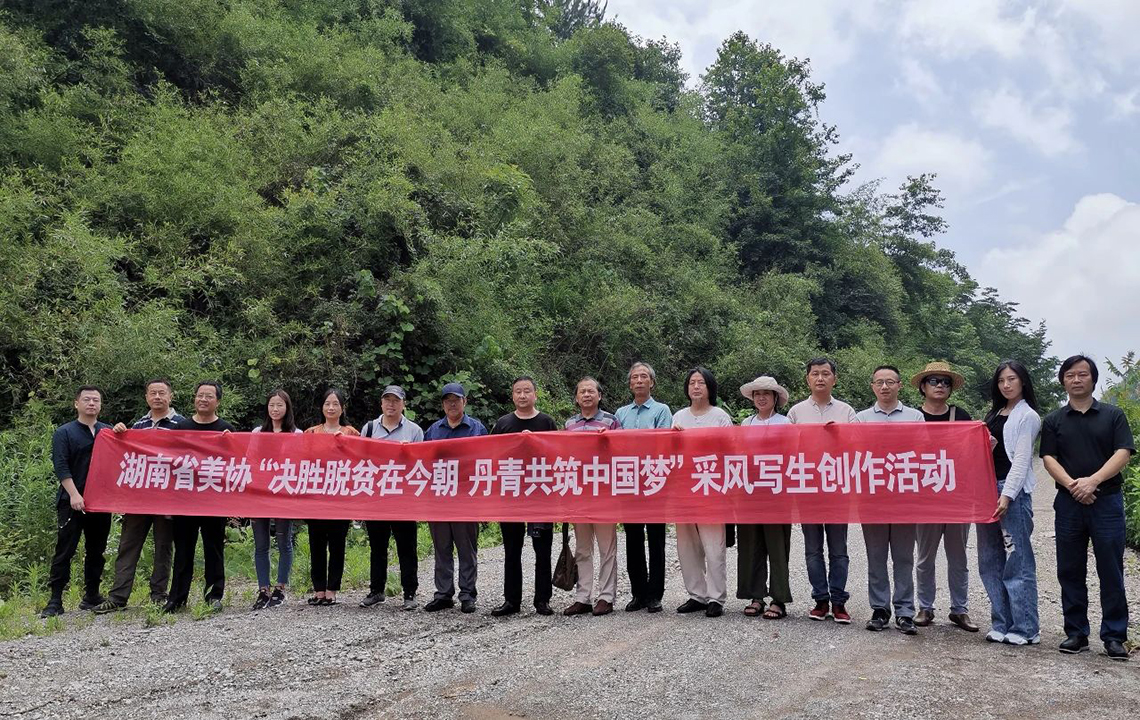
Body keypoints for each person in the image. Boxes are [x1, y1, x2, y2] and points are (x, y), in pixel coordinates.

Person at [1041, 355, 1134, 660]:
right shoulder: (1054, 420)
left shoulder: (1112, 415)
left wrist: (1092, 481)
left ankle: (1114, 636)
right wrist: (1073, 486)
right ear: (1063, 381)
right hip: (1068, 503)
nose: (1077, 380)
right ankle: (1076, 633)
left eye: (1083, 374)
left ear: (1093, 379)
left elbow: (1123, 452)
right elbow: (1049, 458)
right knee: (1070, 569)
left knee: (1110, 568)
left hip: (1106, 501)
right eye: (1070, 375)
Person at [95, 379, 184, 614]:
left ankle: (158, 595)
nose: (157, 397)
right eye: (152, 393)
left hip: (167, 497)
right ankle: (118, 597)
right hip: (138, 497)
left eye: (162, 393)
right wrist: (119, 434)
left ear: (170, 396)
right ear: (146, 397)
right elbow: (126, 456)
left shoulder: (182, 424)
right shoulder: (138, 424)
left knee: (164, 547)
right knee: (128, 545)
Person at [786, 357, 858, 624]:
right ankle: (820, 599)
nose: (820, 378)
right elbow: (786, 449)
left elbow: (860, 445)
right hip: (807, 488)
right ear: (807, 379)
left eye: (825, 374)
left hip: (837, 487)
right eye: (815, 374)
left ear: (834, 379)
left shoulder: (847, 411)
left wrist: (838, 436)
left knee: (839, 548)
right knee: (813, 549)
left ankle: (839, 601)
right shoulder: (795, 412)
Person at [976, 360, 1041, 646]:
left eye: (1012, 379)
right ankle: (1000, 622)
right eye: (1002, 380)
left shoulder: (1028, 416)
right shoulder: (995, 413)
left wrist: (1007, 495)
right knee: (990, 560)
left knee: (1017, 560)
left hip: (1009, 493)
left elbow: (1022, 460)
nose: (1006, 384)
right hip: (985, 489)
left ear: (1022, 381)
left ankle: (1026, 627)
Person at [856, 365, 924, 635]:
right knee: (876, 556)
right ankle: (880, 609)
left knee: (904, 556)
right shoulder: (860, 419)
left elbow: (922, 454)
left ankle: (905, 611)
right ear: (872, 386)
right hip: (872, 497)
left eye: (890, 382)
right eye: (879, 382)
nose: (885, 387)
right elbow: (854, 456)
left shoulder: (915, 417)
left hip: (904, 496)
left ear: (899, 386)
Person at [911, 362, 979, 632]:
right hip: (925, 497)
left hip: (957, 497)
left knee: (958, 556)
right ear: (923, 386)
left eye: (945, 382)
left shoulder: (961, 415)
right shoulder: (912, 418)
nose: (940, 385)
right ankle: (925, 607)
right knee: (925, 556)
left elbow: (972, 454)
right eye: (934, 380)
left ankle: (959, 610)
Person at [40, 386, 114, 618]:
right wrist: (73, 494)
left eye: (96, 400)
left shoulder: (108, 431)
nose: (91, 403)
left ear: (101, 405)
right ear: (76, 403)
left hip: (100, 503)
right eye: (87, 399)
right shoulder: (65, 432)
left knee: (97, 550)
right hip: (72, 500)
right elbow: (61, 466)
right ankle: (55, 600)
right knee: (65, 550)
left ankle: (91, 595)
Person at [490, 376, 559, 617]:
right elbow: (492, 455)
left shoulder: (546, 422)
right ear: (512, 396)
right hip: (511, 495)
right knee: (512, 549)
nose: (522, 396)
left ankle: (542, 600)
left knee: (542, 550)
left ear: (535, 395)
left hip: (540, 494)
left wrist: (536, 443)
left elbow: (557, 455)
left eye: (527, 391)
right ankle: (511, 601)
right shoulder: (503, 423)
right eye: (518, 391)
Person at [166, 381, 235, 613]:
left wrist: (231, 444)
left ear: (218, 401)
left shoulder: (226, 429)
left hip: (214, 500)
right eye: (199, 395)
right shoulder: (181, 427)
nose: (203, 399)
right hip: (185, 500)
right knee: (183, 550)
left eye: (209, 396)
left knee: (213, 549)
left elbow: (237, 463)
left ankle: (214, 596)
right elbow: (169, 462)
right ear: (194, 398)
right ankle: (177, 598)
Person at [671, 367, 733, 618]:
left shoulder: (720, 417)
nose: (696, 387)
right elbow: (668, 451)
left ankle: (716, 597)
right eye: (692, 383)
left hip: (711, 487)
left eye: (701, 383)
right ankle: (696, 594)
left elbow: (729, 450)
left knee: (713, 545)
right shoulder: (679, 416)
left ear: (710, 388)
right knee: (687, 545)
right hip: (683, 487)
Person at [422, 382, 487, 614]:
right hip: (439, 499)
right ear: (442, 404)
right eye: (448, 400)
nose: (452, 404)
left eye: (456, 400)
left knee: (466, 548)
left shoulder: (477, 429)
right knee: (442, 548)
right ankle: (443, 594)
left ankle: (468, 594)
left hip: (466, 499)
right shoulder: (433, 431)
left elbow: (485, 462)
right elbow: (422, 464)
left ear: (464, 402)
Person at [359, 385, 423, 611]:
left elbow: (422, 466)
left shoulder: (414, 431)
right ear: (381, 403)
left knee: (407, 547)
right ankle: (377, 590)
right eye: (387, 399)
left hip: (404, 499)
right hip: (376, 498)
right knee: (377, 547)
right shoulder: (368, 428)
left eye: (396, 400)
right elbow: (359, 460)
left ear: (403, 404)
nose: (391, 404)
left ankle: (410, 592)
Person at [614, 361, 671, 614]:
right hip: (628, 483)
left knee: (656, 539)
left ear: (652, 382)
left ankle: (654, 594)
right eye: (635, 377)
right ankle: (638, 593)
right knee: (633, 539)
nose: (639, 380)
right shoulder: (620, 414)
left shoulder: (661, 410)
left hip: (654, 481)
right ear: (630, 384)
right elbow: (615, 448)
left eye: (644, 376)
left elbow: (663, 443)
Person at [562, 377, 622, 617]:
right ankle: (582, 596)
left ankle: (606, 597)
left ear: (599, 395)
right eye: (582, 392)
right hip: (579, 493)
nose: (586, 395)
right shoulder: (568, 424)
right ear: (576, 398)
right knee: (583, 548)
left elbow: (626, 452)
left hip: (605, 493)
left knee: (607, 547)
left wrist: (609, 439)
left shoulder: (612, 421)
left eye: (591, 391)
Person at [736, 376, 792, 620]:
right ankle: (756, 596)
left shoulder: (786, 423)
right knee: (750, 544)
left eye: (767, 394)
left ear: (775, 398)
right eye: (757, 393)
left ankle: (779, 598)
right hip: (749, 492)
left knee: (777, 545)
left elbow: (793, 455)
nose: (761, 397)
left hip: (777, 492)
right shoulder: (745, 424)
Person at [304, 388, 360, 606]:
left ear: (342, 408)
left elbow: (360, 463)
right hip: (316, 498)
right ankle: (318, 589)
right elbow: (302, 462)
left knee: (337, 545)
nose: (331, 407)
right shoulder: (310, 433)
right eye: (327, 403)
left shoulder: (351, 433)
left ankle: (332, 590)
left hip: (340, 499)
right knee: (316, 544)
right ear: (322, 407)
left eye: (335, 403)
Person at [249, 389, 302, 610]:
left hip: (283, 493)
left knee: (284, 541)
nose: (275, 409)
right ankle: (263, 589)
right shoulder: (257, 432)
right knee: (261, 544)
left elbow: (299, 463)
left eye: (280, 405)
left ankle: (281, 587)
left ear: (287, 407)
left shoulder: (296, 434)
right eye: (271, 405)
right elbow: (250, 460)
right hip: (259, 494)